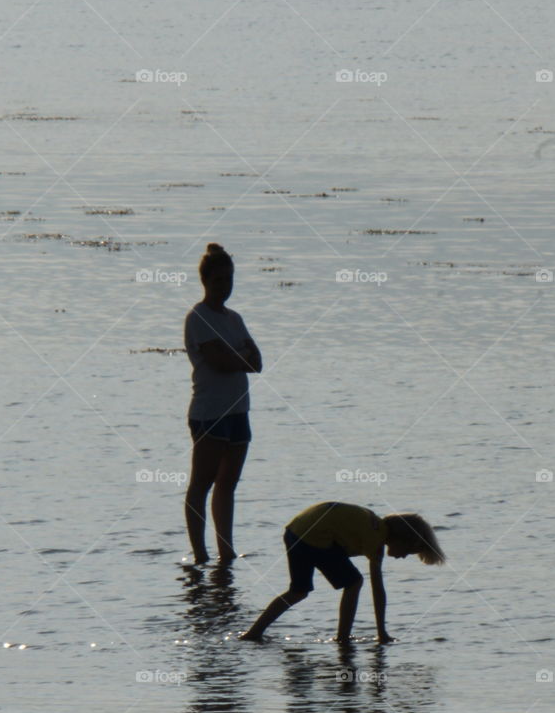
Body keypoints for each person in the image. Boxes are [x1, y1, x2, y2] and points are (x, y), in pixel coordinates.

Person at [240, 501, 445, 643]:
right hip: (315, 536)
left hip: (295, 531)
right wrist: (382, 632)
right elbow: (378, 589)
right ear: (403, 539)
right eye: (409, 551)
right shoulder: (375, 539)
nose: (404, 557)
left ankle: (253, 633)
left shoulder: (373, 524)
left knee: (298, 591)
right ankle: (343, 638)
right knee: (354, 582)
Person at [184, 243, 262, 565]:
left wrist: (239, 356)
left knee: (227, 485)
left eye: (229, 280)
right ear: (205, 281)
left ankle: (225, 551)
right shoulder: (198, 317)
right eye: (219, 281)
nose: (225, 287)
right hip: (210, 413)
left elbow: (256, 362)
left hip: (238, 411)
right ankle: (200, 554)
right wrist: (238, 356)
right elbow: (220, 362)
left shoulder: (234, 318)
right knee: (202, 484)